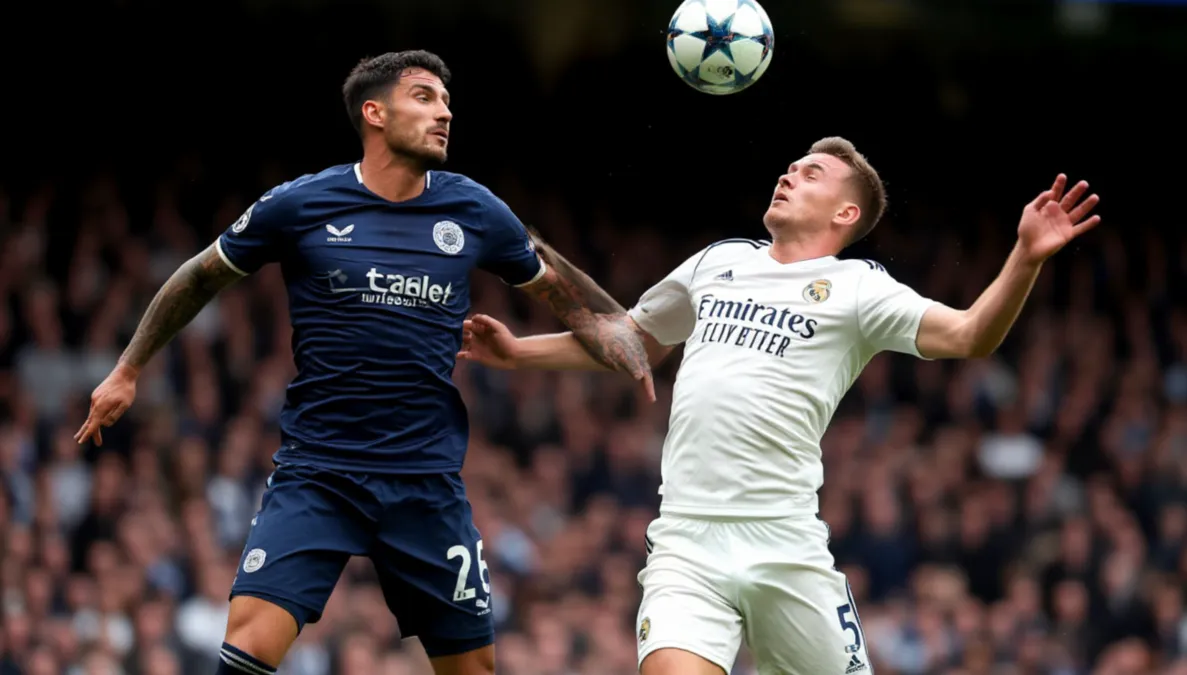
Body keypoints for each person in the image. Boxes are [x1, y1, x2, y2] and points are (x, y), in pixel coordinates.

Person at [74, 50, 653, 675]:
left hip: (426, 482)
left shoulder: (473, 210)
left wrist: (624, 334)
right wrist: (129, 368)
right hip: (319, 472)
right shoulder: (301, 204)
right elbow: (198, 276)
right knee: (247, 646)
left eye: (447, 102)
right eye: (426, 98)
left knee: (475, 668)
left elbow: (565, 295)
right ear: (374, 113)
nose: (445, 113)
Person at [457, 136, 1101, 675]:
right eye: (791, 167)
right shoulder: (717, 262)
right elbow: (635, 342)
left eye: (811, 173)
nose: (789, 175)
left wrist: (1023, 257)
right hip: (687, 540)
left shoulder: (859, 289)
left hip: (785, 544)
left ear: (845, 214)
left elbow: (969, 335)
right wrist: (519, 353)